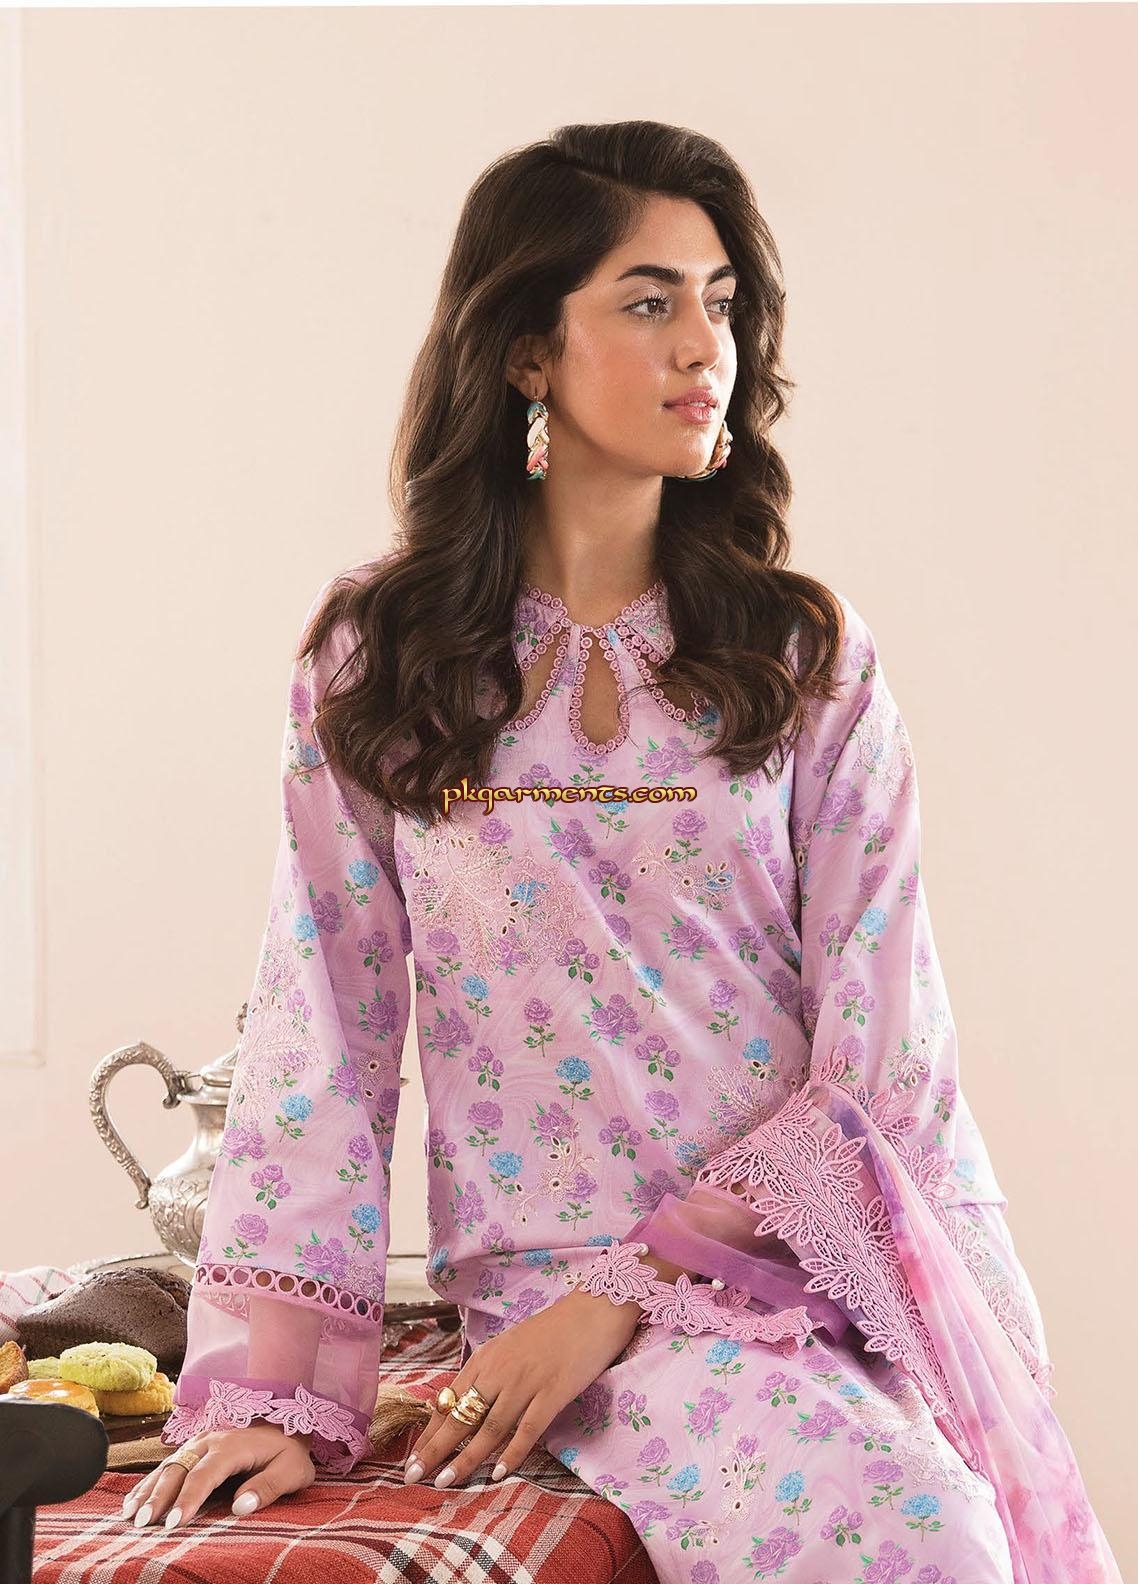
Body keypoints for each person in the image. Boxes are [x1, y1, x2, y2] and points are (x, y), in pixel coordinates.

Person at [120, 120, 1120, 1583]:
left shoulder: (800, 661)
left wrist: (631, 1290)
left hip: (800, 1272)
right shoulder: (389, 660)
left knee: (932, 1530)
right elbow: (322, 1029)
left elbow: (884, 1066)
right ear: (527, 351)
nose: (703, 346)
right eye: (649, 302)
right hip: (531, 1284)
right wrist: (278, 1398)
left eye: (721, 303)